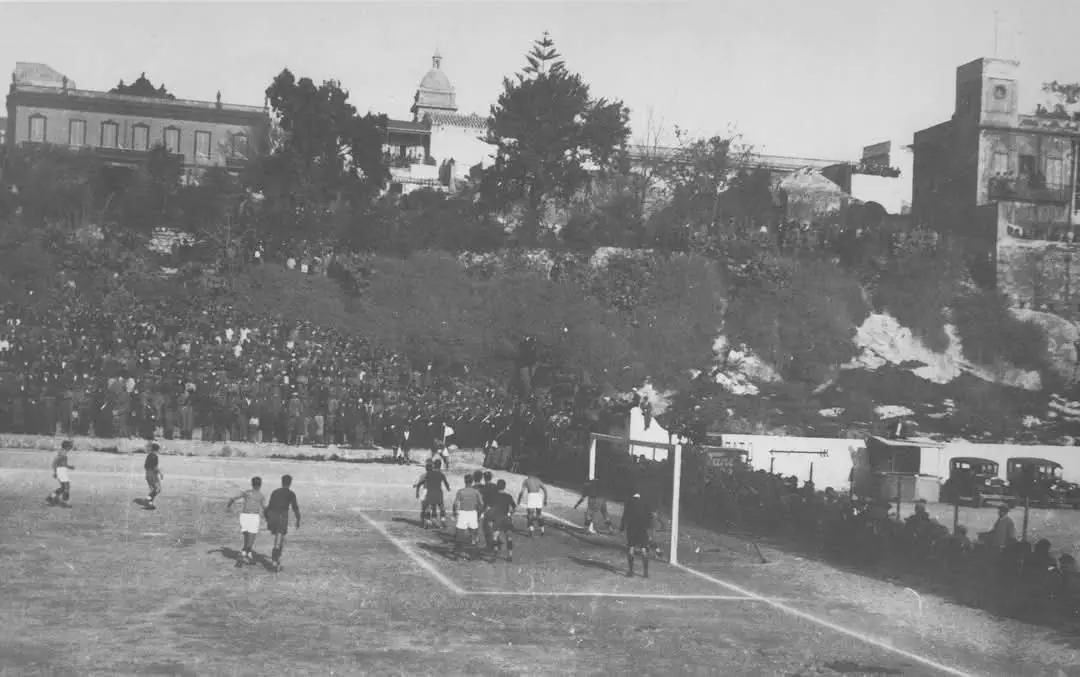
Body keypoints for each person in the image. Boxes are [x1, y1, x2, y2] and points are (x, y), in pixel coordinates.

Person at [227, 477, 268, 566]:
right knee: (250, 541)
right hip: (254, 517)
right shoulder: (261, 496)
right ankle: (242, 555)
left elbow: (232, 499)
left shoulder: (246, 492)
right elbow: (265, 508)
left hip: (244, 516)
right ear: (260, 485)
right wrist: (268, 518)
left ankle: (248, 556)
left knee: (247, 539)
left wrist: (228, 507)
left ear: (252, 484)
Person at [265, 475, 302, 572]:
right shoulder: (291, 494)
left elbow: (269, 506)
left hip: (272, 516)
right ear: (290, 483)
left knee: (280, 539)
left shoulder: (275, 492)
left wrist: (267, 518)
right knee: (279, 540)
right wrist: (298, 519)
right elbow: (295, 508)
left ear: (282, 482)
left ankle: (276, 560)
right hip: (281, 517)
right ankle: (274, 563)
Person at [452, 474, 485, 560]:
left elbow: (455, 503)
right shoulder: (476, 492)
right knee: (474, 534)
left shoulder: (460, 491)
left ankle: (457, 554)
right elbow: (481, 504)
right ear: (472, 481)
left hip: (463, 513)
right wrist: (480, 513)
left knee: (460, 534)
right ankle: (472, 554)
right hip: (472, 513)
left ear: (465, 481)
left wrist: (454, 513)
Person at [621, 490, 653, 578]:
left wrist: (622, 527)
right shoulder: (645, 503)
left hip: (632, 528)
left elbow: (625, 516)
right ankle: (645, 573)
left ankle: (631, 571)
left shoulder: (629, 503)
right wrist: (648, 527)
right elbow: (650, 516)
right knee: (643, 549)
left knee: (631, 548)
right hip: (642, 529)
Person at [484, 479, 517, 562]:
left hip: (497, 518)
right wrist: (510, 514)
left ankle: (494, 555)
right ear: (504, 487)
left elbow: (488, 508)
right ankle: (510, 555)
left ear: (497, 486)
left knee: (495, 537)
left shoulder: (493, 496)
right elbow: (514, 508)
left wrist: (488, 519)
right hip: (506, 517)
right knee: (509, 537)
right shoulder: (508, 496)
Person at [414, 460, 450, 529]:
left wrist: (417, 487)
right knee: (441, 507)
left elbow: (422, 482)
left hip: (430, 493)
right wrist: (448, 488)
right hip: (438, 493)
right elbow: (446, 483)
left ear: (434, 465)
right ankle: (442, 522)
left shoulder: (428, 474)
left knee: (427, 508)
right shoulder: (441, 474)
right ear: (440, 466)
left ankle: (427, 522)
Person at [47, 440, 76, 508]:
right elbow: (62, 464)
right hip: (61, 471)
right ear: (67, 446)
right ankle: (65, 503)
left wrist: (55, 471)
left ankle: (50, 497)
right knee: (66, 487)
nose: (71, 447)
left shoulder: (61, 452)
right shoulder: (63, 454)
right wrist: (70, 467)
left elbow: (55, 462)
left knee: (63, 488)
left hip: (60, 470)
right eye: (70, 446)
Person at [143, 441, 163, 509]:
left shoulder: (149, 455)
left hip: (148, 474)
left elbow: (146, 466)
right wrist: (160, 473)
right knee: (157, 489)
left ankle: (149, 503)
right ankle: (147, 501)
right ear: (157, 449)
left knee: (155, 490)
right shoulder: (155, 456)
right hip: (152, 475)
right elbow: (155, 467)